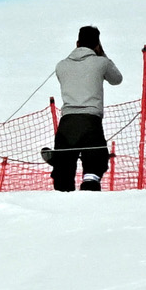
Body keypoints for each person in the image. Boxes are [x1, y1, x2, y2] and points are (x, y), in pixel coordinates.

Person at [48, 26, 124, 191]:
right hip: (91, 122)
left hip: (67, 123)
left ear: (77, 43)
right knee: (94, 167)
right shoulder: (101, 62)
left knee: (63, 171)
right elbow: (117, 79)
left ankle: (63, 198)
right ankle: (89, 200)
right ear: (97, 44)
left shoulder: (61, 65)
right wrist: (101, 54)